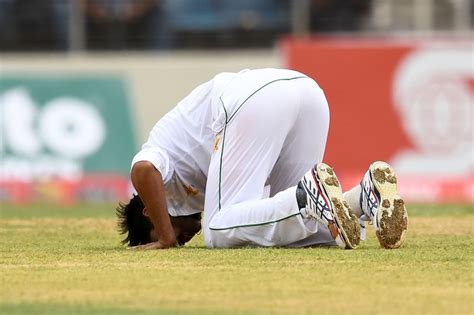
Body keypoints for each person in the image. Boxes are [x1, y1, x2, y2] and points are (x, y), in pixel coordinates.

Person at [117, 68, 408, 250]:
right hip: (306, 91)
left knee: (217, 230)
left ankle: (307, 197)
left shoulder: (160, 164)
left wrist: (164, 238)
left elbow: (142, 170)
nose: (181, 241)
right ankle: (362, 198)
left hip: (254, 98)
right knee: (292, 229)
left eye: (176, 237)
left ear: (149, 212)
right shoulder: (189, 188)